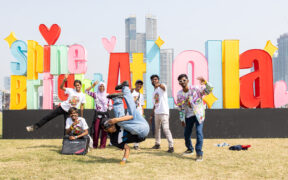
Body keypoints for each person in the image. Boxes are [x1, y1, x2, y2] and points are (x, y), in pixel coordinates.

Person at [101, 81, 149, 165]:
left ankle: (123, 91)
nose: (112, 125)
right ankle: (119, 98)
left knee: (131, 110)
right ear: (106, 130)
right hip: (142, 132)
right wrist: (124, 160)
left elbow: (131, 117)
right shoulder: (114, 140)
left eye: (111, 124)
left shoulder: (116, 123)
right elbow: (127, 148)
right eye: (110, 126)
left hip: (138, 122)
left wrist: (116, 120)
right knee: (120, 121)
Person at [176, 74, 213, 162]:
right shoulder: (179, 94)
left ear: (188, 81)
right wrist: (182, 119)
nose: (182, 82)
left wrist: (205, 82)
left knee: (199, 132)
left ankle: (199, 153)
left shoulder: (196, 88)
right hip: (188, 116)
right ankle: (190, 149)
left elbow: (209, 90)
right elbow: (180, 107)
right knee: (186, 134)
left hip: (198, 114)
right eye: (180, 81)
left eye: (184, 80)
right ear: (179, 83)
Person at [149, 75, 174, 153]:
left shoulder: (162, 87)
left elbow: (164, 87)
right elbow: (154, 104)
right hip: (157, 113)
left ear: (158, 80)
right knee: (157, 130)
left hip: (164, 112)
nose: (154, 81)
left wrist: (159, 84)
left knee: (166, 129)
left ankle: (171, 146)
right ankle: (157, 144)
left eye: (156, 79)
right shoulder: (154, 93)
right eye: (153, 80)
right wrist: (151, 115)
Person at [85, 81, 112, 149]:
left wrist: (109, 108)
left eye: (103, 86)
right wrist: (93, 86)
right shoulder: (95, 94)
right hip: (98, 115)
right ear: (98, 87)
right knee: (96, 130)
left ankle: (102, 145)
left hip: (105, 115)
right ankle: (95, 145)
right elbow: (86, 91)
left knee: (104, 131)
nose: (101, 88)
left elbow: (111, 105)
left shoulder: (108, 95)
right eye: (100, 86)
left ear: (105, 87)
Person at [130, 80, 145, 150]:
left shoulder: (141, 95)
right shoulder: (132, 92)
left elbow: (142, 106)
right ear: (135, 84)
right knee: (128, 128)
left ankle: (136, 145)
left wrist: (143, 114)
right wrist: (130, 91)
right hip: (131, 113)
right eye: (138, 84)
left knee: (138, 129)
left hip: (139, 114)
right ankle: (123, 143)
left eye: (141, 84)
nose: (139, 85)